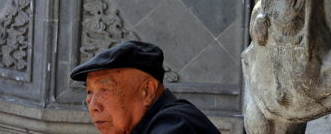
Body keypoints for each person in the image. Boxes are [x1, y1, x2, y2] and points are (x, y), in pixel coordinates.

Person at [70, 40, 220, 134]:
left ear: (147, 91)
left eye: (104, 90)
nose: (93, 106)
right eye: (89, 91)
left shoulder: (175, 124)